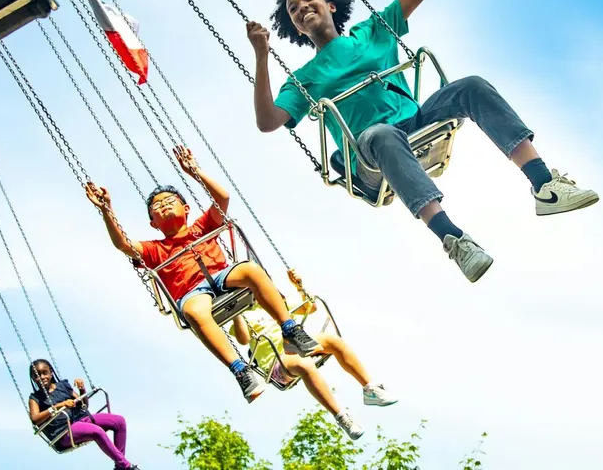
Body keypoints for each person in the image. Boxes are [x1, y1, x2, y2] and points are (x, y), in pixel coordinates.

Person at [248, 0, 600, 282]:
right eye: (293, 9)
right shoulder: (305, 79)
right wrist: (261, 55)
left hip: (416, 123)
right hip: (369, 151)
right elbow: (268, 120)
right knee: (381, 134)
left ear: (330, 5)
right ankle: (453, 238)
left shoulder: (372, 31)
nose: (302, 7)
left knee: (472, 86)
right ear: (295, 27)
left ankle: (545, 185)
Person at [88, 145, 321, 402]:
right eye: (157, 206)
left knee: (252, 270)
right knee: (194, 312)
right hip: (192, 292)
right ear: (153, 222)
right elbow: (123, 245)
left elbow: (223, 199)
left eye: (170, 201)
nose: (164, 206)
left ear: (186, 209)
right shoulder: (155, 249)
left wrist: (196, 172)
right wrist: (107, 211)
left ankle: (290, 330)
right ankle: (240, 370)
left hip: (223, 277)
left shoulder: (201, 226)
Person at [230, 271, 395, 441]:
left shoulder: (277, 302)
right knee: (304, 364)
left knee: (333, 341)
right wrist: (236, 313)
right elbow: (243, 339)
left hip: (296, 346)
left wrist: (299, 287)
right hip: (277, 362)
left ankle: (370, 389)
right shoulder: (245, 314)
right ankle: (341, 417)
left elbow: (311, 306)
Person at [28, 359, 137, 469]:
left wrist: (82, 389)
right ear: (33, 378)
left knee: (119, 421)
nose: (42, 377)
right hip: (65, 431)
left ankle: (120, 466)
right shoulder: (35, 398)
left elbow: (84, 404)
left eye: (44, 373)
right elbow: (35, 419)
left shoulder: (63, 386)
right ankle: (126, 466)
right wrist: (58, 406)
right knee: (97, 431)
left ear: (51, 372)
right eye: (37, 375)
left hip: (82, 418)